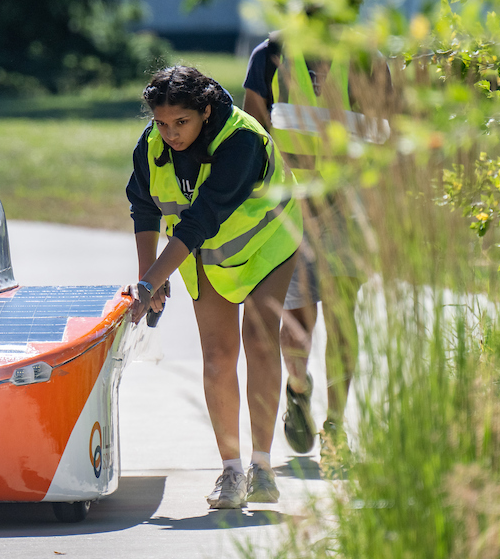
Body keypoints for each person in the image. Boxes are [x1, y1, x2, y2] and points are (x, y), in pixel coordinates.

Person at [126, 65, 303, 510]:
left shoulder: (241, 140)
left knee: (261, 342)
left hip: (268, 241)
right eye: (162, 123)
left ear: (205, 111)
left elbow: (201, 218)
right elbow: (144, 206)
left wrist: (152, 281)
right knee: (218, 356)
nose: (170, 133)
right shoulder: (150, 145)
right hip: (208, 253)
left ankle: (263, 468)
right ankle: (231, 471)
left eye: (181, 122)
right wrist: (150, 275)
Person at [242, 33, 388, 459]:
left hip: (347, 206)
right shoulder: (270, 56)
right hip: (290, 208)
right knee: (298, 323)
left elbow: (385, 137)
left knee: (344, 313)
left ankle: (335, 427)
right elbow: (255, 137)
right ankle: (298, 389)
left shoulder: (367, 59)